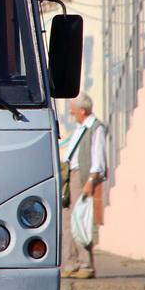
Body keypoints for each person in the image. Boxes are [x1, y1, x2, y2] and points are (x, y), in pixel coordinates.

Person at [60, 92, 107, 279]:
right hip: (71, 177)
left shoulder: (95, 128)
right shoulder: (80, 128)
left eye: (73, 110)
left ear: (82, 110)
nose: (72, 113)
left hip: (82, 177)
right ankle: (71, 264)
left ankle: (86, 265)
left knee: (80, 220)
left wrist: (91, 180)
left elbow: (98, 157)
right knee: (67, 222)